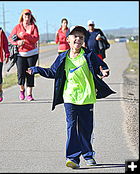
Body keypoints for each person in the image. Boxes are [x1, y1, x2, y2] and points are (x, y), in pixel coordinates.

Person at [26, 25, 116, 169]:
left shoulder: (89, 55)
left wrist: (104, 71)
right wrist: (37, 69)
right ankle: (73, 158)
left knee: (86, 129)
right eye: (75, 36)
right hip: (70, 98)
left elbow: (102, 66)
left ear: (84, 40)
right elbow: (52, 72)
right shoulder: (63, 57)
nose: (78, 39)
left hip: (87, 97)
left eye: (81, 37)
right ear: (68, 39)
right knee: (72, 127)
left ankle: (88, 154)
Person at [8, 9, 39, 101]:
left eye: (28, 15)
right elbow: (10, 39)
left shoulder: (34, 27)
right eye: (25, 15)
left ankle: (29, 94)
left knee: (30, 73)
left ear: (31, 16)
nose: (27, 17)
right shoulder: (17, 27)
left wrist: (25, 35)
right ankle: (22, 90)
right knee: (21, 73)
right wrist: (18, 42)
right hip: (20, 54)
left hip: (32, 53)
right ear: (22, 16)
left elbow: (36, 39)